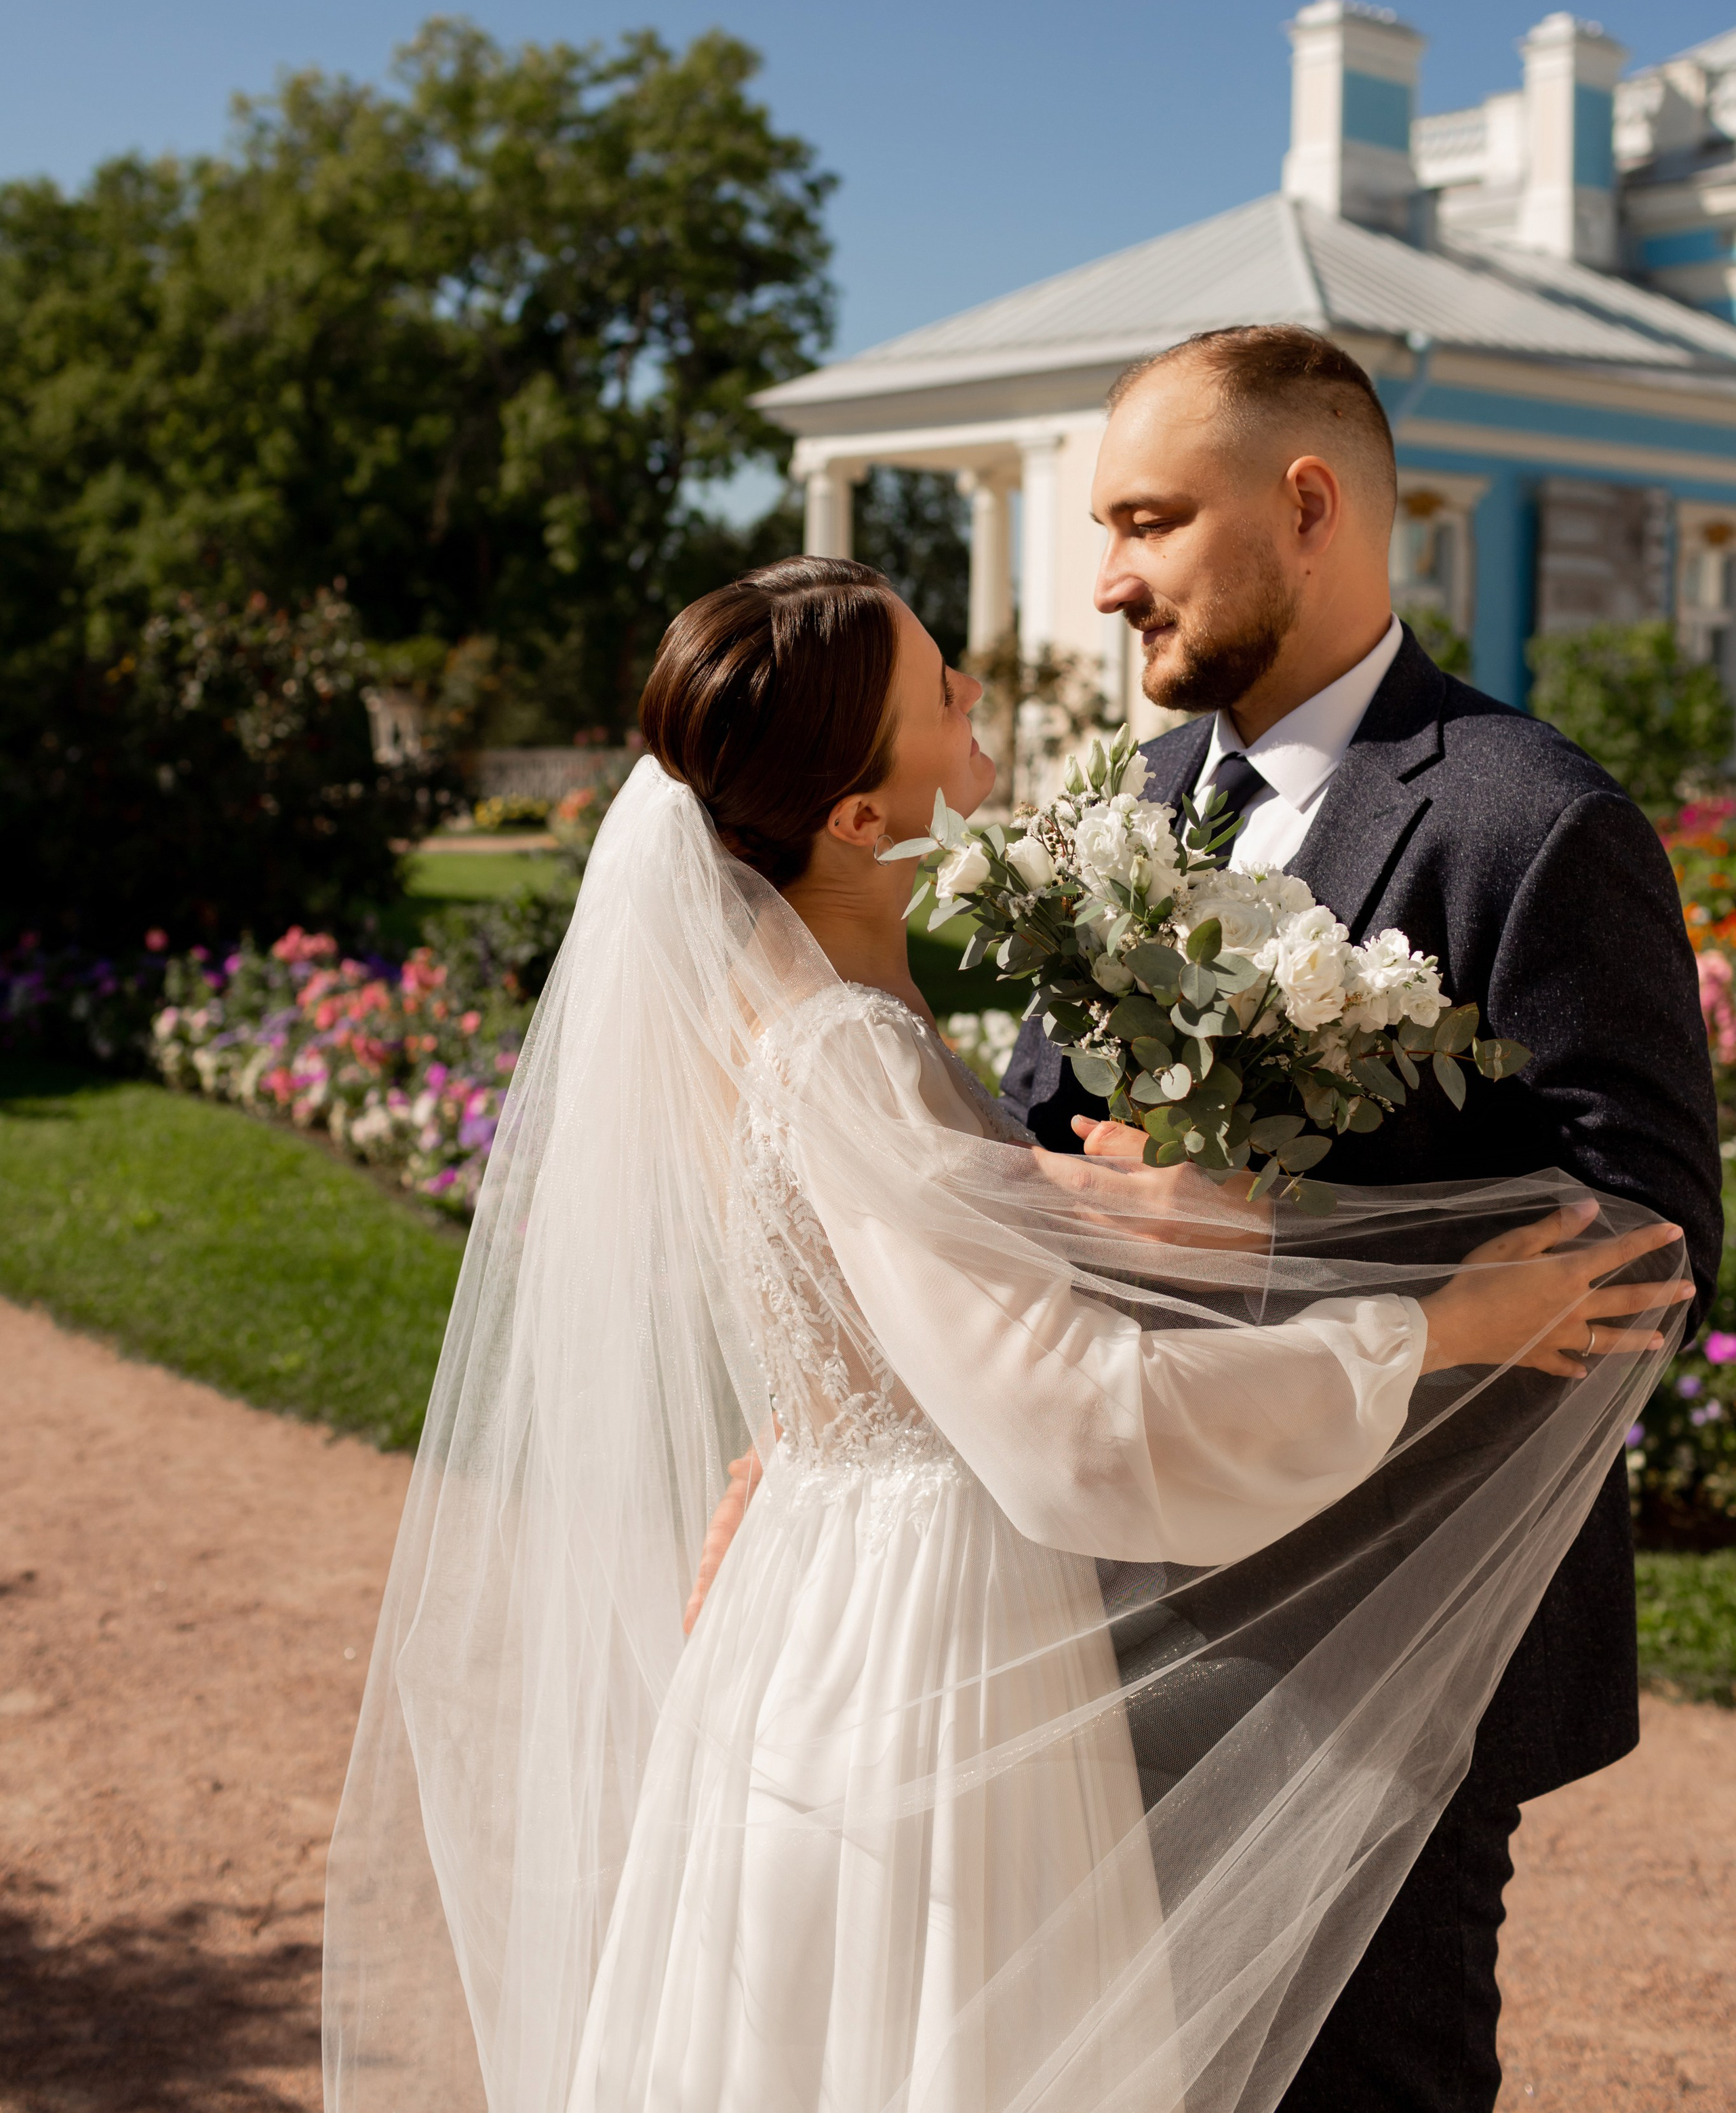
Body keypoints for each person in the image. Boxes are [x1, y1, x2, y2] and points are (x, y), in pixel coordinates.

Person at [323, 555, 1691, 2113]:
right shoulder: (841, 1051)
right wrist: (1434, 1324)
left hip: (849, 1591)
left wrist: (1147, 1211)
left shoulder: (843, 1019)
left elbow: (915, 1266)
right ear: (853, 816)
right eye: (936, 690)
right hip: (922, 1643)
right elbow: (1075, 1426)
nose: (976, 692)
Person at [998, 323, 1724, 2113]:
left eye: (1150, 521)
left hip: (1398, 1644)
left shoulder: (1531, 821)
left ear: (1306, 503)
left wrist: (1267, 1234)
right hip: (1115, 1598)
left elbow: (1642, 1251)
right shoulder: (1129, 809)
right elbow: (1032, 1133)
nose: (1106, 581)